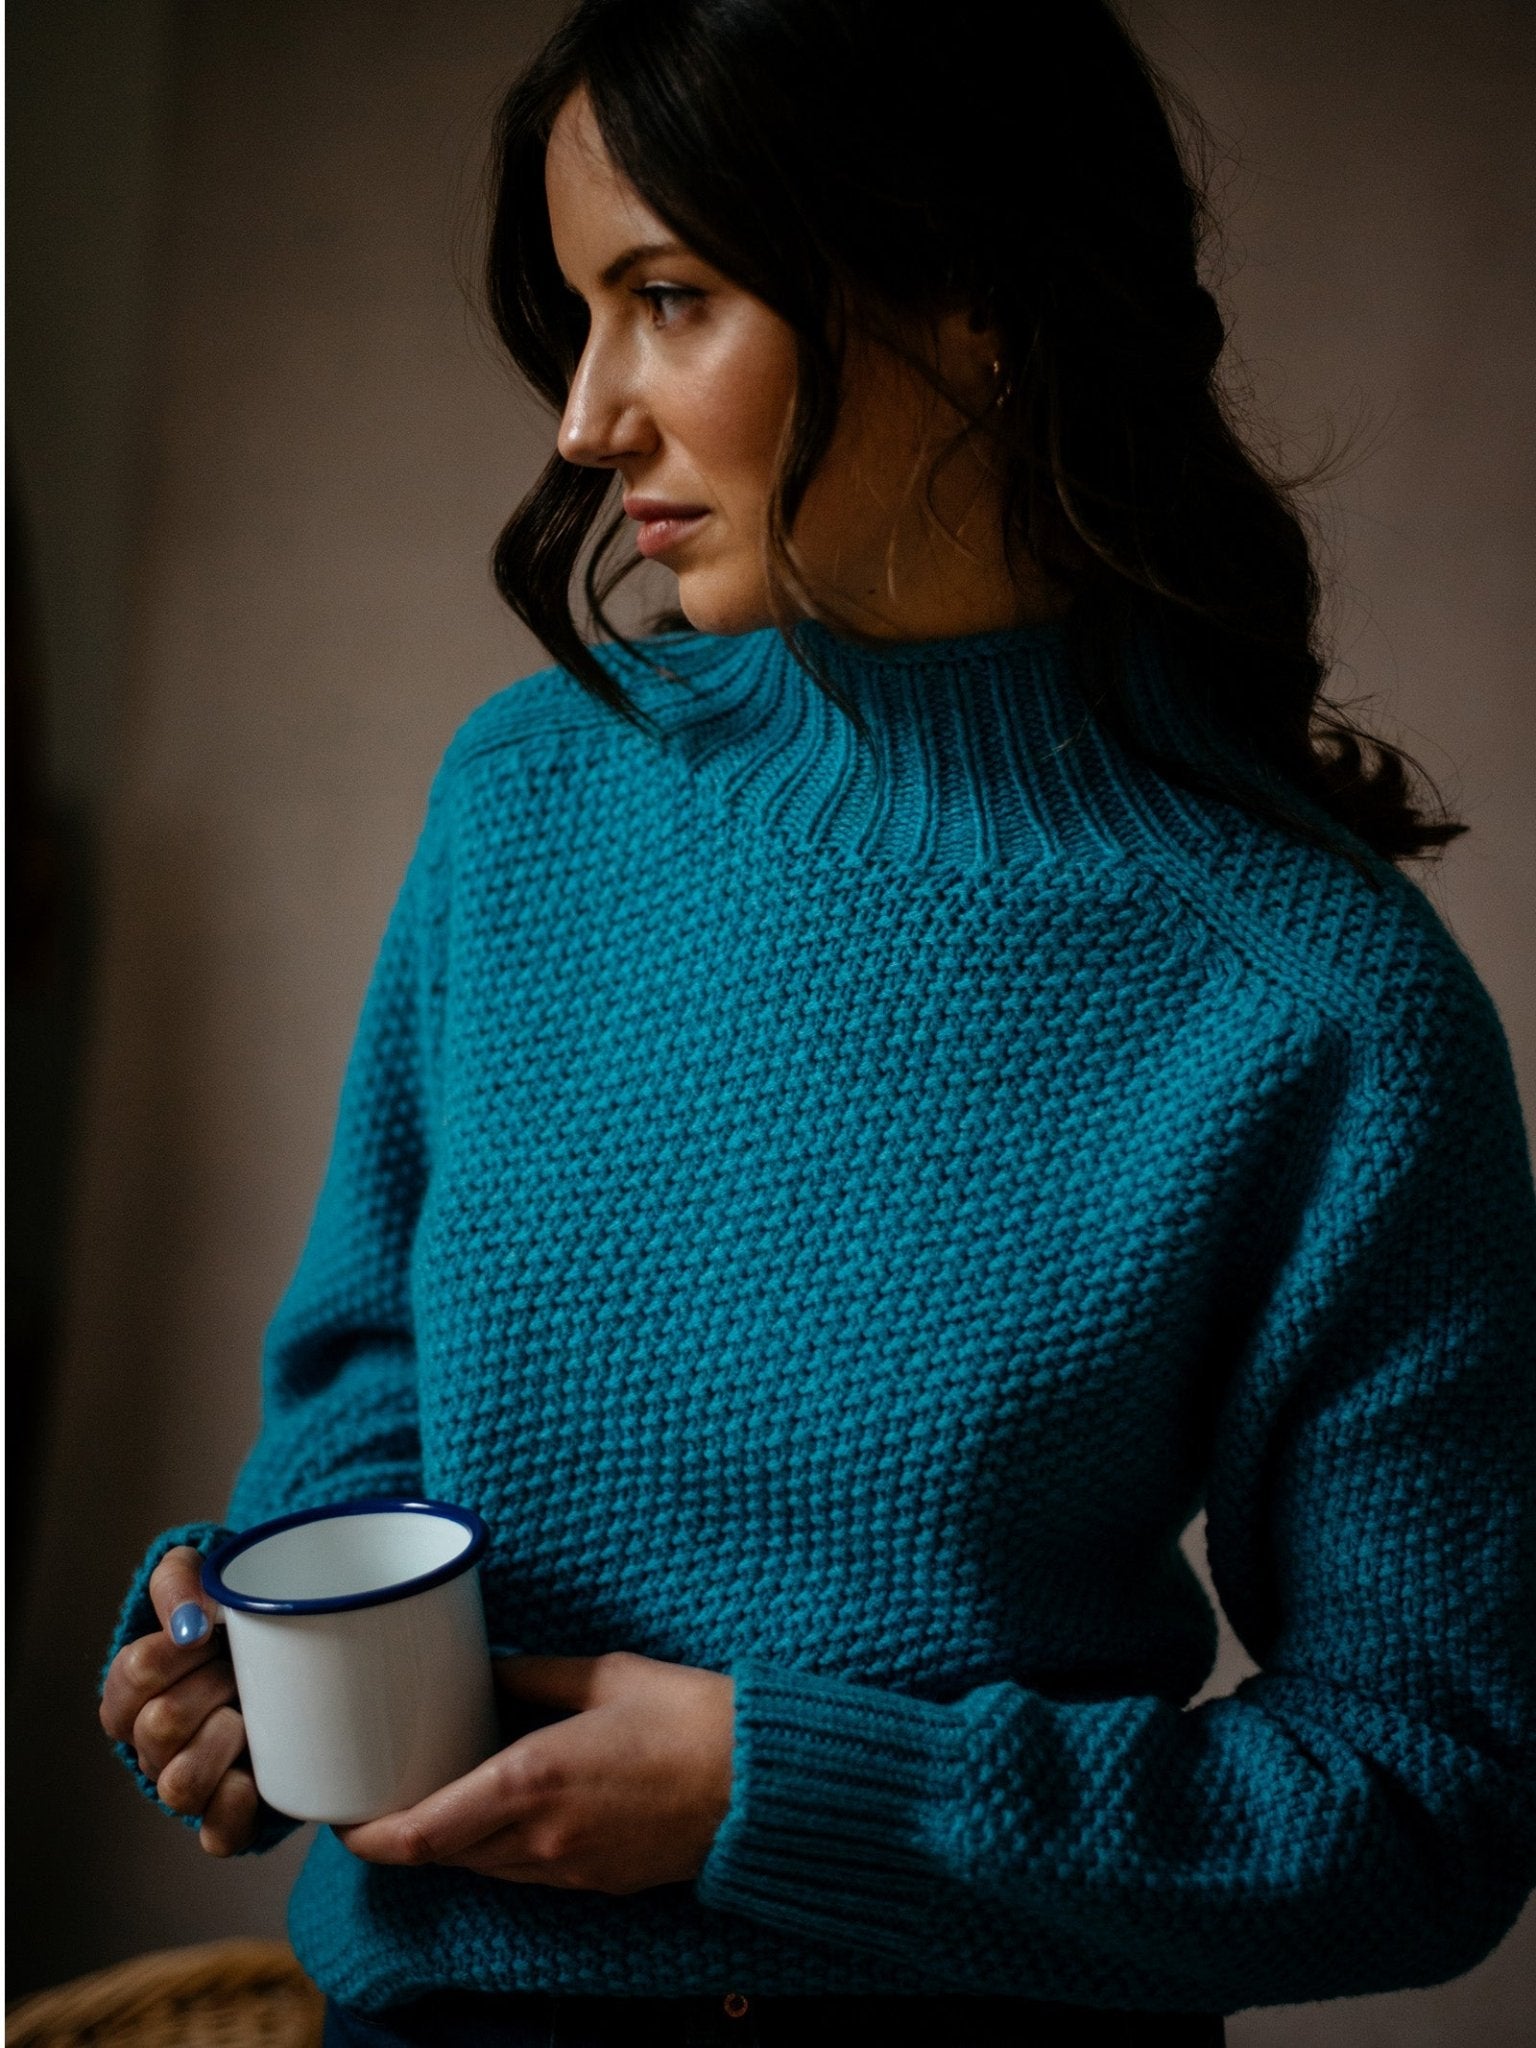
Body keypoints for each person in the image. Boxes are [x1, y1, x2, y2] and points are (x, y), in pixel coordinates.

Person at [98, 2, 1536, 2044]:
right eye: (585, 314)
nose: (586, 418)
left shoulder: (1324, 1008)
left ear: (977, 301)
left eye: (668, 300)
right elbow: (375, 1389)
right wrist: (256, 1621)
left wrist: (780, 1798)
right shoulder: (528, 806)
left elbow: (1425, 1803)